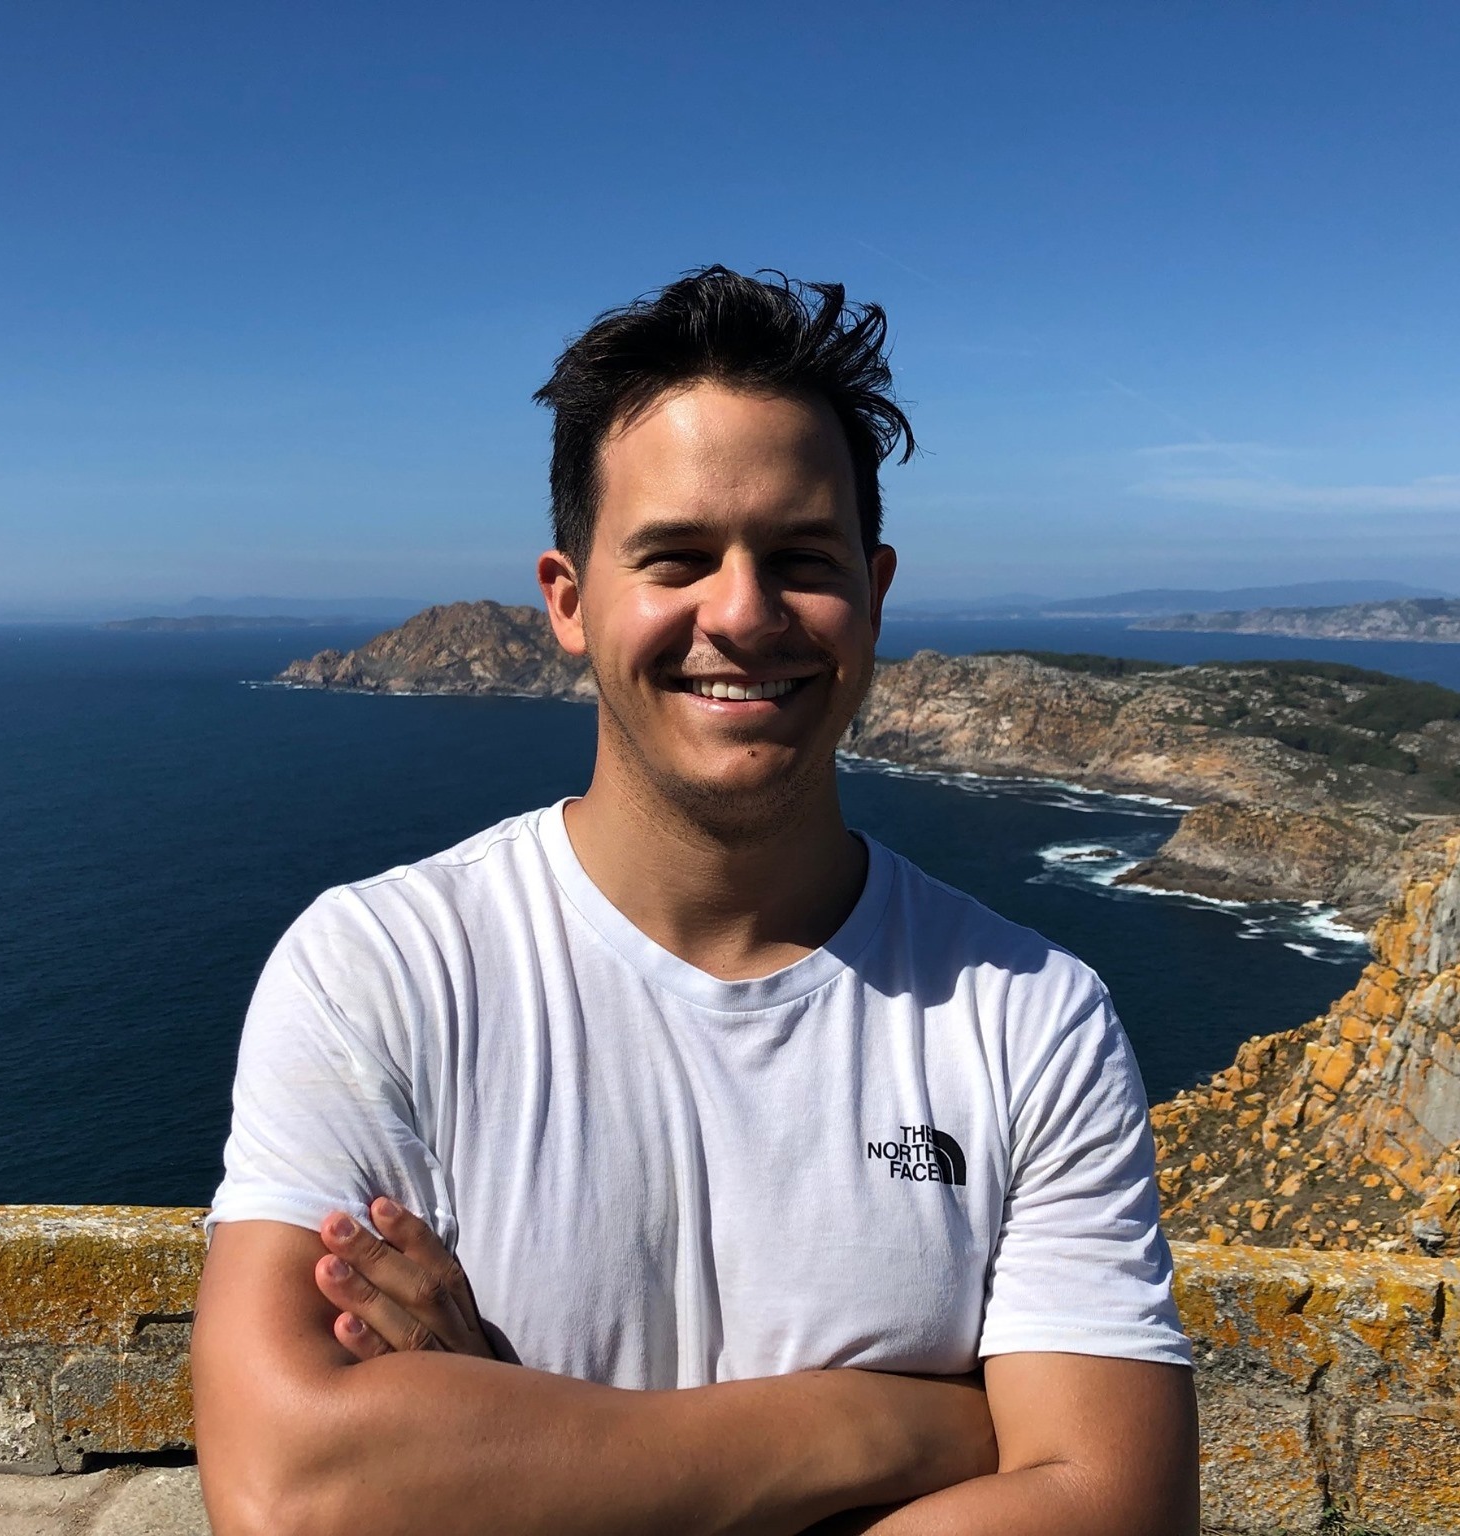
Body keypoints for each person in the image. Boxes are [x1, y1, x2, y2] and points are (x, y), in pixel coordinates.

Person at [192, 267, 1199, 1536]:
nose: (742, 612)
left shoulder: (1032, 1018)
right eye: (677, 558)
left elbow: (1115, 1510)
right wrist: (895, 1427)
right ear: (569, 601)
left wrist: (505, 1448)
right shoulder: (382, 970)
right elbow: (292, 1490)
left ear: (875, 592)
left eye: (802, 559)